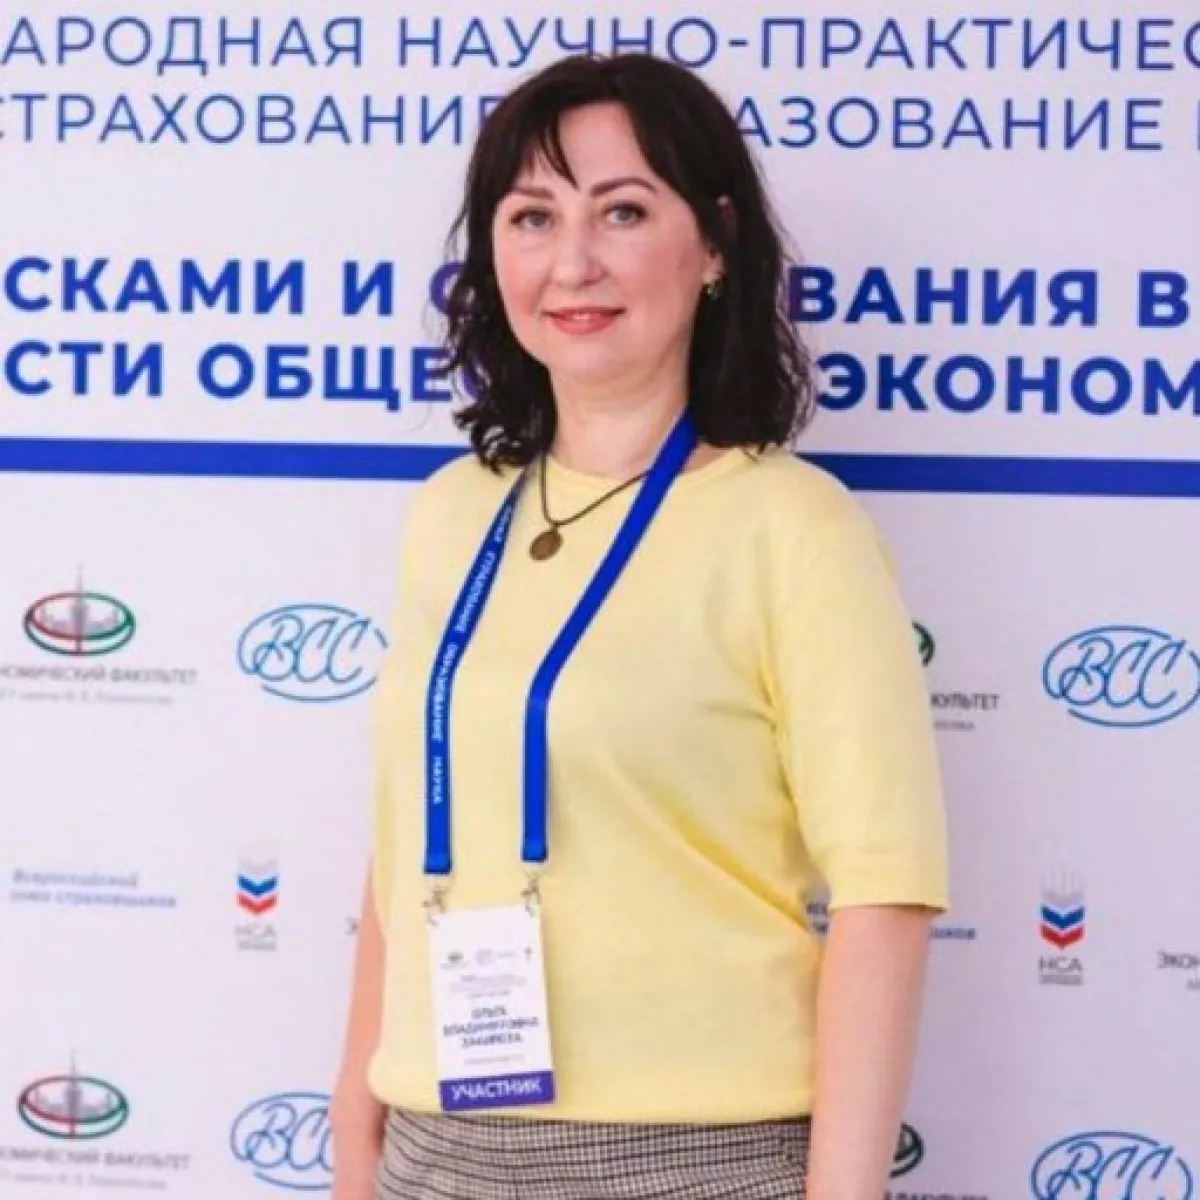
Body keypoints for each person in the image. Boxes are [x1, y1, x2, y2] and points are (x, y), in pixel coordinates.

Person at [331, 52, 949, 1200]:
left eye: (621, 211)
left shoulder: (793, 527)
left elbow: (885, 893)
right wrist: (354, 1131)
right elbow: (402, 844)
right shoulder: (452, 513)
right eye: (532, 217)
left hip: (695, 1160)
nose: (572, 262)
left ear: (714, 245)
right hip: (435, 1148)